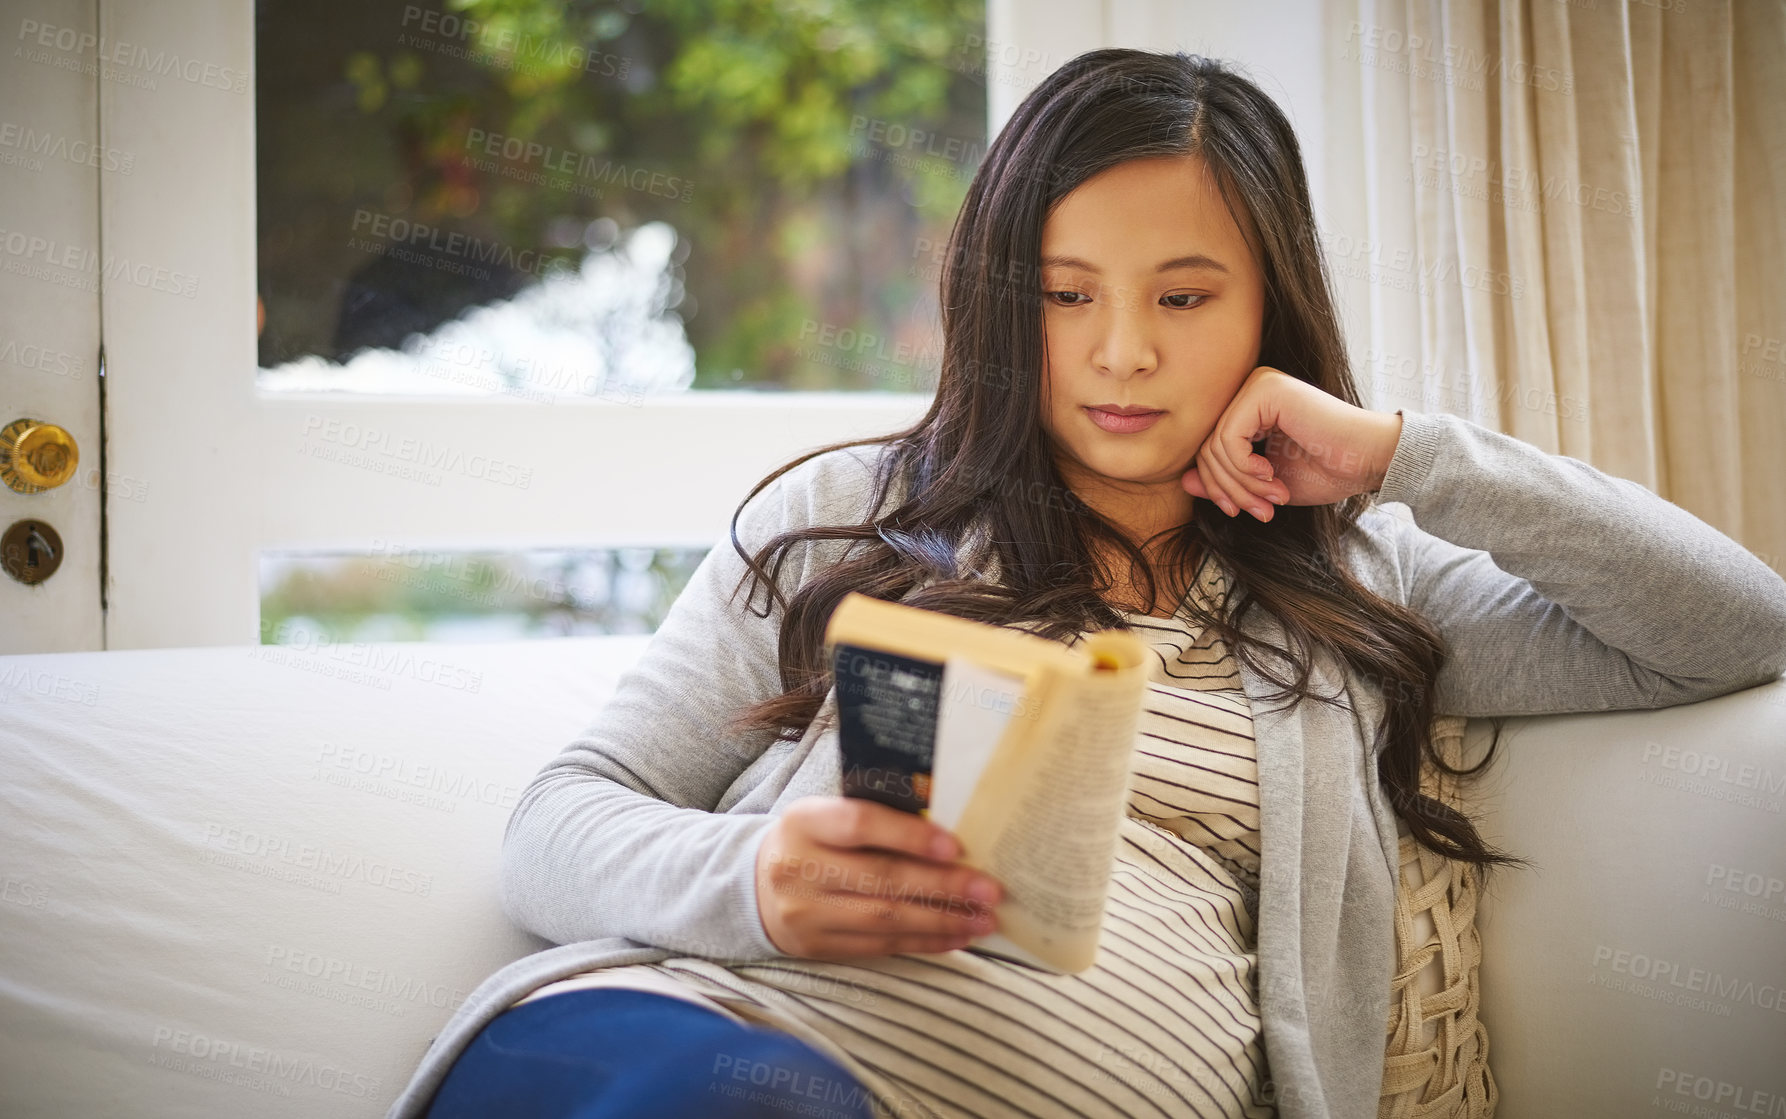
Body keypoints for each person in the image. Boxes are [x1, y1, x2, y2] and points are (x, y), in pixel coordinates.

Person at [388, 49, 1786, 1119]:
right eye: (1066, 296)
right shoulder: (846, 516)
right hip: (711, 1051)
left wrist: (1401, 453)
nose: (1121, 352)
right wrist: (747, 879)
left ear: (1267, 306)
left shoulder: (1359, 590)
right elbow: (556, 823)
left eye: (1182, 298)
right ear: (1002, 300)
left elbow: (1727, 627)